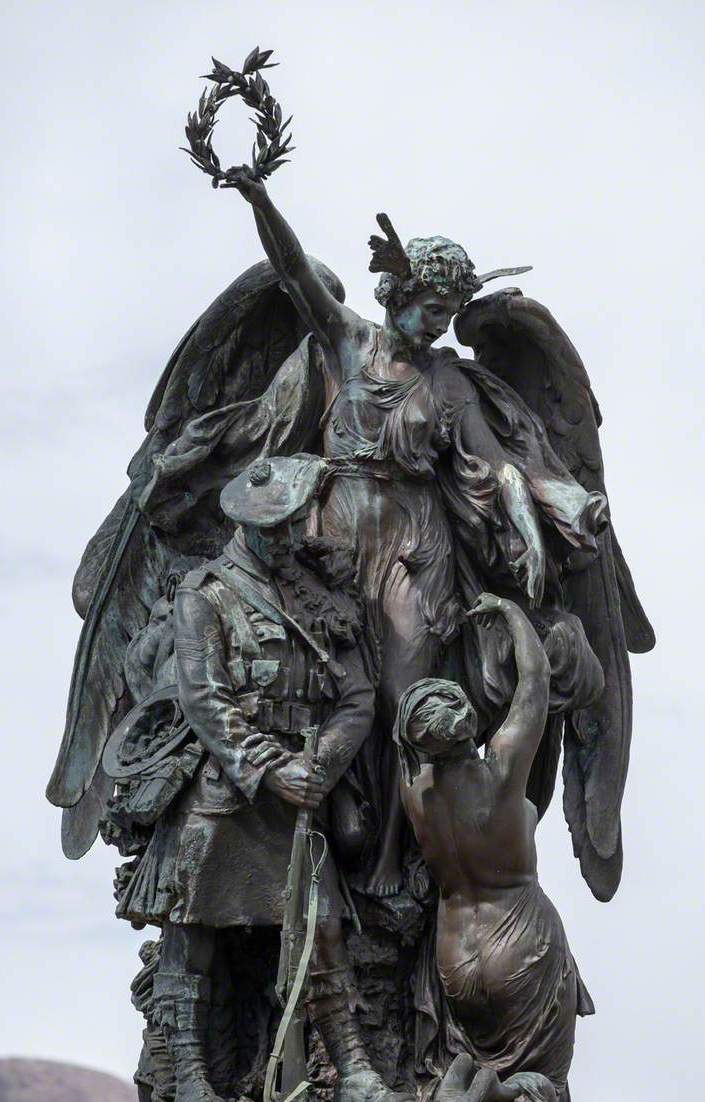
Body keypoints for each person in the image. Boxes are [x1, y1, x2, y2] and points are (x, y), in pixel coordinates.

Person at [224, 169, 609, 897]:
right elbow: (293, 270)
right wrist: (258, 197)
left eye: (449, 311)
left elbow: (496, 471)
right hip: (329, 537)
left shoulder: (451, 384)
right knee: (321, 682)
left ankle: (405, 856)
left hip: (412, 548)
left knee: (407, 693)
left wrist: (527, 528)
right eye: (432, 306)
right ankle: (321, 830)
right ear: (399, 295)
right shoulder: (349, 343)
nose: (438, 322)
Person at [118, 454, 416, 1102]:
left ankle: (354, 1075)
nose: (286, 538)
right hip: (227, 793)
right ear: (247, 526)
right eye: (274, 528)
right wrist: (272, 767)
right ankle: (191, 1077)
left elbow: (357, 695)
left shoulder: (319, 594)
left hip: (302, 798)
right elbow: (205, 697)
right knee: (193, 936)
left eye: (292, 524)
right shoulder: (207, 592)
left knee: (326, 931)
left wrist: (323, 766)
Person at [393, 593, 594, 1102]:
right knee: (545, 1080)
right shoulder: (500, 770)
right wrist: (510, 611)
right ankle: (497, 1090)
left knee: (479, 1050)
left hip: (453, 958)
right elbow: (535, 684)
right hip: (521, 945)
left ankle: (464, 1073)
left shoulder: (414, 789)